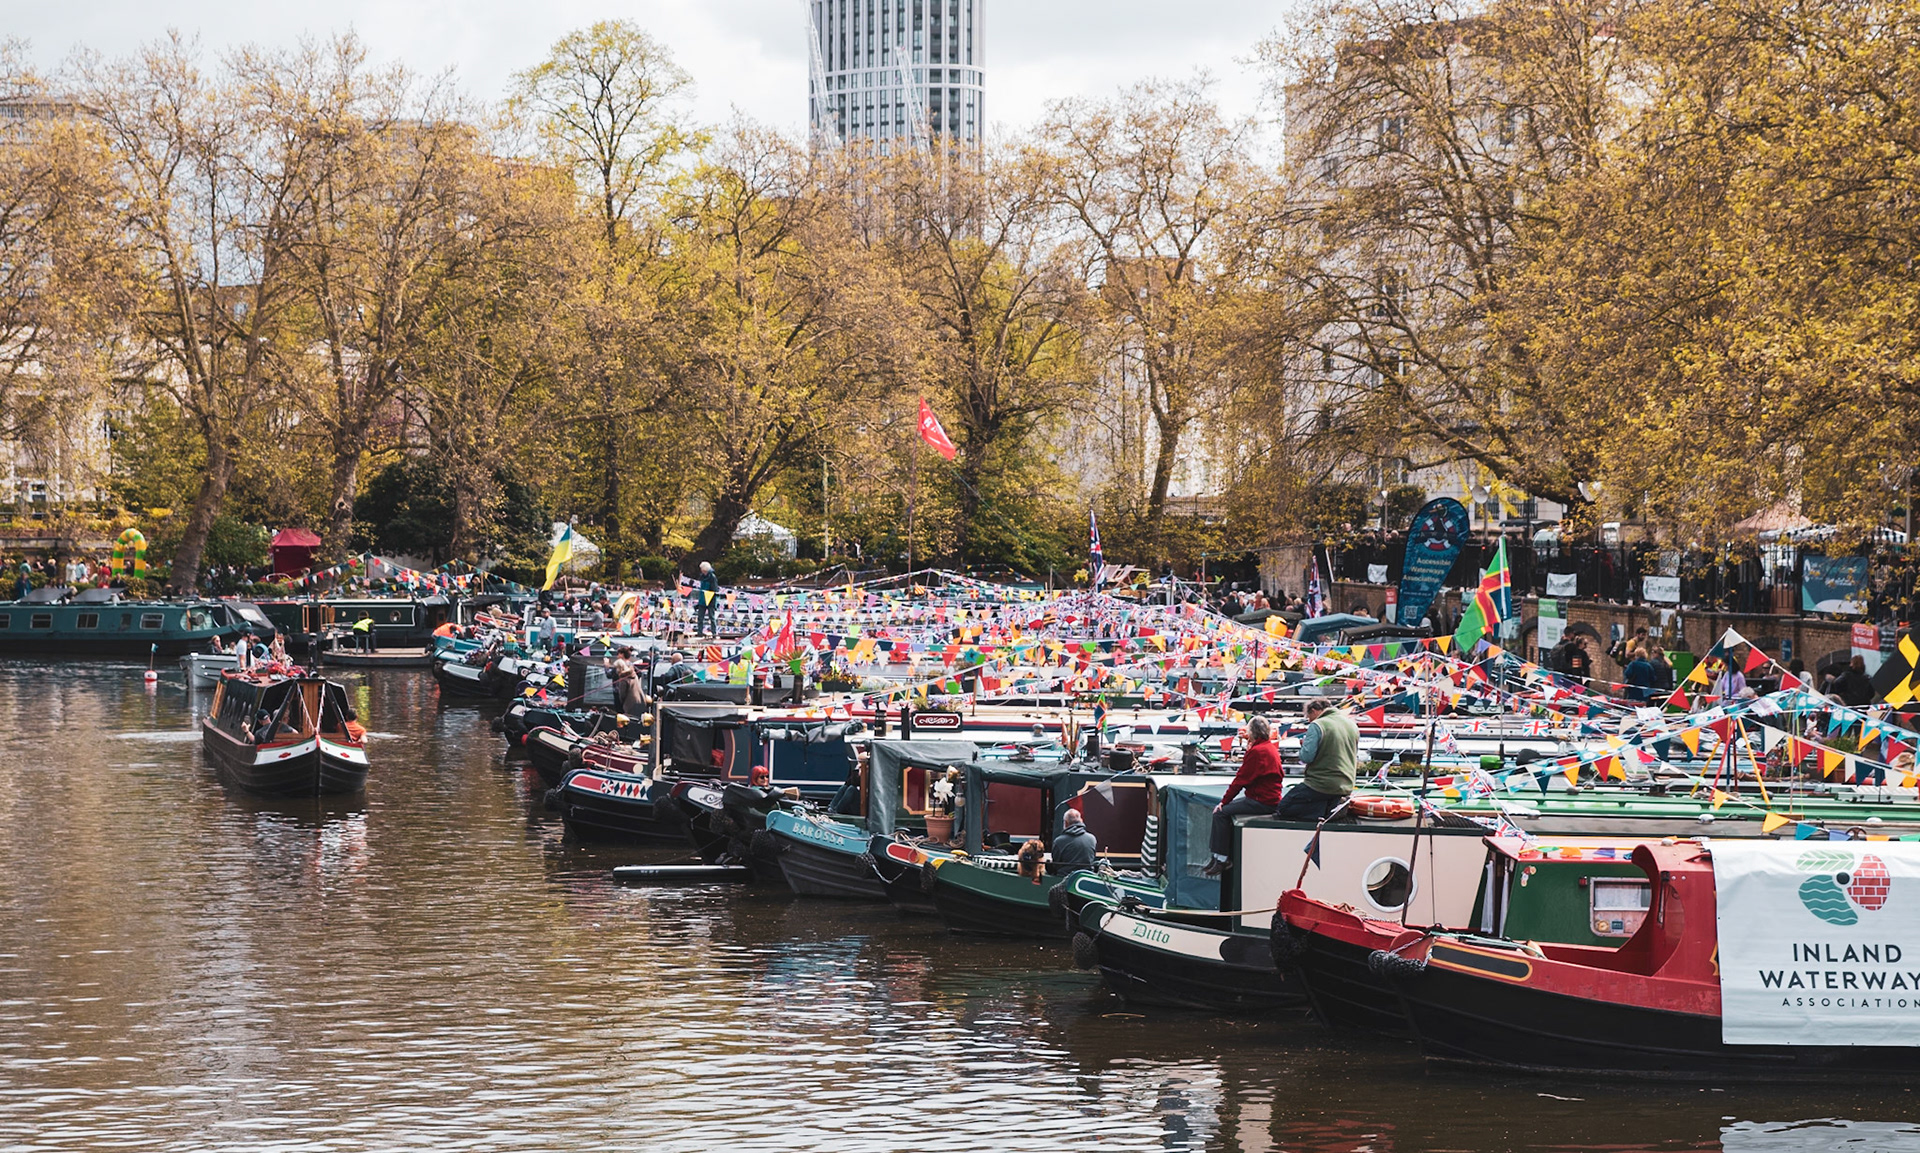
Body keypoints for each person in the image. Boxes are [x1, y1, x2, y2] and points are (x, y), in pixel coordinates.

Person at [1205, 715, 1285, 876]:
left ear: (1252, 733)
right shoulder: (1270, 748)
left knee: (1220, 813)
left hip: (1261, 800)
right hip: (1270, 798)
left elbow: (1240, 779)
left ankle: (1221, 858)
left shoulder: (1257, 752)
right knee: (1225, 811)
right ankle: (1217, 856)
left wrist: (1224, 801)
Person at [1279, 699, 1359, 820]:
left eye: (1308, 716)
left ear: (1314, 711)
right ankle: (1331, 809)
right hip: (1346, 784)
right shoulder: (1351, 725)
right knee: (1320, 799)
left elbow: (1306, 757)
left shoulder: (1317, 725)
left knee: (1284, 807)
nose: (1309, 720)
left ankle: (1322, 813)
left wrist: (1305, 745)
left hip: (1321, 784)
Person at [1050, 803, 1098, 873]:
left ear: (1066, 823)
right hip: (1086, 877)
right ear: (1081, 821)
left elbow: (1056, 864)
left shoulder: (1059, 841)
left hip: (1064, 878)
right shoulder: (1092, 839)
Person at [694, 561, 719, 636]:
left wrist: (712, 597)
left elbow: (715, 589)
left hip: (711, 599)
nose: (701, 570)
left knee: (712, 617)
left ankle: (714, 633)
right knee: (700, 617)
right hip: (702, 599)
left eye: (701, 568)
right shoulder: (701, 576)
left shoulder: (712, 577)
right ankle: (699, 632)